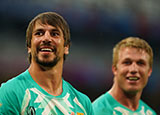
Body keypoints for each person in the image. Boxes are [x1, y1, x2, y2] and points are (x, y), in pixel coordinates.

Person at [0, 12, 94, 115]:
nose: (46, 39)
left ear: (66, 47)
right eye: (39, 33)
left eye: (54, 34)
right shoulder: (11, 92)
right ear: (29, 47)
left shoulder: (83, 104)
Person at [92, 37, 157, 115]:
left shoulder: (150, 113)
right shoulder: (98, 111)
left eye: (140, 63)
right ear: (115, 69)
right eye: (127, 62)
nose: (134, 69)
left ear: (149, 71)